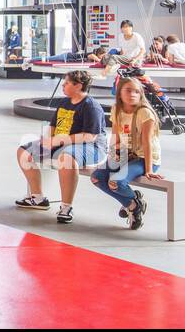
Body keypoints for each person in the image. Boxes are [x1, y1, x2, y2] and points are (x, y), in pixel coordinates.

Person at [15, 69, 108, 225]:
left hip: (91, 147)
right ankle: (38, 198)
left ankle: (66, 207)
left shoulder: (91, 106)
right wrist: (48, 141)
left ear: (78, 86)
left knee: (67, 158)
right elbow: (53, 125)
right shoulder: (64, 102)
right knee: (24, 151)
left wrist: (57, 141)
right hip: (62, 143)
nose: (63, 86)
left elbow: (89, 136)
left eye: (66, 83)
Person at [90, 77, 161, 230]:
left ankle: (133, 205)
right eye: (128, 90)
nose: (133, 94)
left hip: (145, 159)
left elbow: (147, 143)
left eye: (137, 91)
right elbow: (115, 136)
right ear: (119, 92)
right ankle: (133, 204)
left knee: (116, 182)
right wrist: (112, 155)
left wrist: (148, 170)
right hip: (126, 154)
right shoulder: (117, 109)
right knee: (97, 178)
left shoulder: (145, 113)